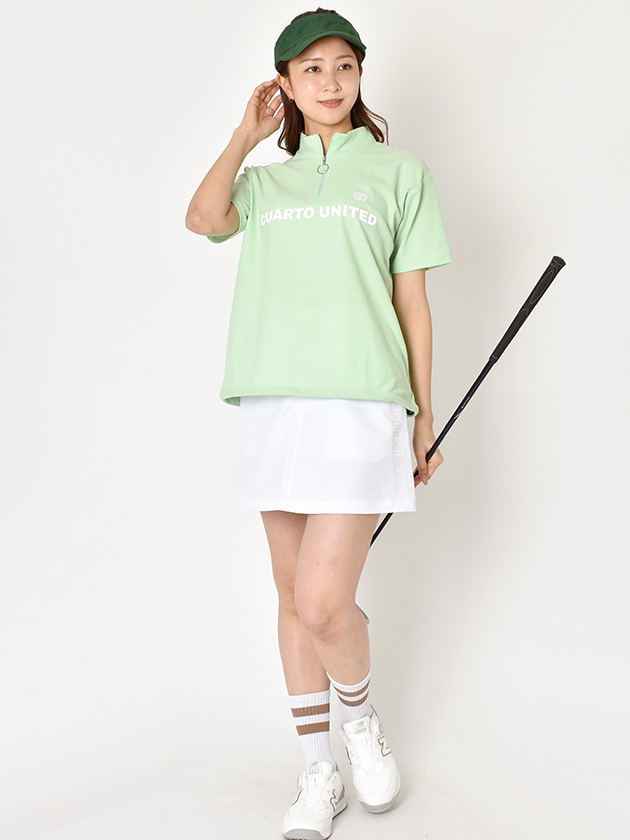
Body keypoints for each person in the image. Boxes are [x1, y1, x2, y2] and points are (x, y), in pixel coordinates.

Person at [186, 7, 452, 839]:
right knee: (289, 595)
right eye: (311, 70)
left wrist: (422, 414)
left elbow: (414, 303)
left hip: (363, 403)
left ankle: (360, 723)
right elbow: (202, 218)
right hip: (275, 401)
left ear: (360, 73)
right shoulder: (265, 182)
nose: (330, 82)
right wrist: (245, 136)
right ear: (286, 85)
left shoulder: (400, 173)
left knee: (323, 600)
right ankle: (317, 770)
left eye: (343, 65)